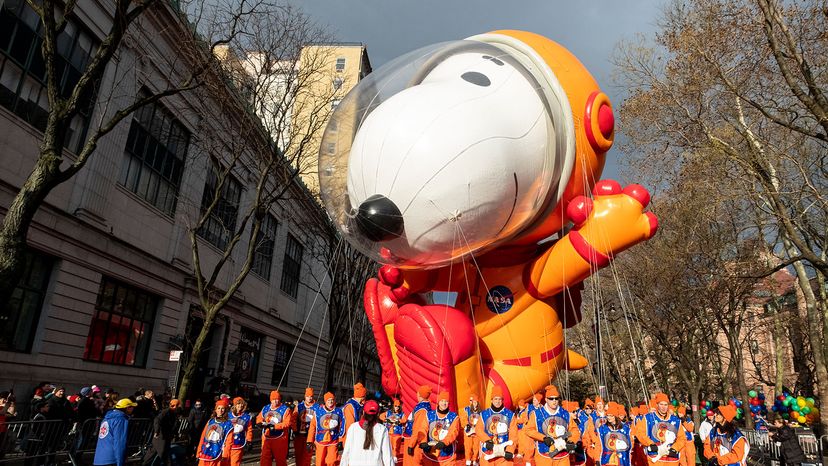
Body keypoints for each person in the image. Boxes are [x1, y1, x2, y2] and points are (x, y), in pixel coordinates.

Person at [525, 385, 580, 466]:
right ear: (546, 399)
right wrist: (543, 438)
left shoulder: (565, 414)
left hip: (563, 456)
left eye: (556, 398)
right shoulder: (536, 414)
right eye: (551, 398)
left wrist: (571, 441)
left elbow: (574, 430)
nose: (554, 401)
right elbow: (528, 430)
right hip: (544, 455)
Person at [634, 393, 686, 466]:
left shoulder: (676, 420)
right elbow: (640, 433)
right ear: (657, 405)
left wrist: (675, 448)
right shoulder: (648, 418)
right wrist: (650, 443)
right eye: (661, 404)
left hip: (671, 458)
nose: (663, 407)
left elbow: (682, 438)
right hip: (654, 457)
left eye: (665, 405)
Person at [412, 391, 460, 466]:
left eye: (446, 401)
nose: (444, 403)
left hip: (447, 456)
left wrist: (444, 442)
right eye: (442, 401)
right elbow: (423, 429)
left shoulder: (454, 417)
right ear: (438, 402)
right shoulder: (429, 415)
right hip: (430, 455)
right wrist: (423, 442)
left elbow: (453, 432)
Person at [340, 399, 394, 466]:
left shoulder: (353, 427)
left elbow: (346, 453)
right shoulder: (382, 429)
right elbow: (387, 455)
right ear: (377, 414)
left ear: (363, 412)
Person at [476, 386, 518, 464]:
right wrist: (487, 441)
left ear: (502, 400)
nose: (498, 401)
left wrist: (510, 450)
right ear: (491, 400)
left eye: (500, 399)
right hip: (488, 453)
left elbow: (513, 435)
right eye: (495, 399)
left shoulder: (510, 415)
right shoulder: (484, 414)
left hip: (504, 455)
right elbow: (478, 430)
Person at [93, 398, 137, 466]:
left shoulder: (106, 419)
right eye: (132, 407)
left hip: (99, 459)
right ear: (127, 408)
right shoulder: (120, 420)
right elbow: (119, 442)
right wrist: (120, 462)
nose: (133, 409)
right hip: (112, 459)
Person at [307, 392, 345, 466]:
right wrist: (309, 441)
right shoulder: (318, 412)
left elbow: (342, 426)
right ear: (325, 401)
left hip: (333, 441)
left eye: (332, 400)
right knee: (320, 462)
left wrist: (341, 440)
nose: (330, 402)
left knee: (332, 461)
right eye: (328, 400)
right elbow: (313, 427)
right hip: (320, 441)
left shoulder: (339, 411)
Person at [257, 390, 291, 466]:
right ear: (270, 400)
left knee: (280, 460)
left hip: (279, 438)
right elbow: (259, 417)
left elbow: (287, 423)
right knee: (264, 459)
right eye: (273, 399)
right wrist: (259, 423)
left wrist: (275, 426)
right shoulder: (266, 408)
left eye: (277, 399)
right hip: (267, 437)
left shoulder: (285, 409)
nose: (275, 401)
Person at [196, 399, 234, 466]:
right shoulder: (210, 421)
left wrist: (225, 455)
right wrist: (198, 451)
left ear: (225, 410)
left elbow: (229, 442)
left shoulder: (228, 425)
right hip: (205, 451)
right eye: (218, 408)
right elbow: (203, 437)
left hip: (217, 452)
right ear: (215, 410)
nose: (220, 410)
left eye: (222, 408)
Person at [404, 385, 433, 466]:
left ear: (420, 394)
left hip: (414, 442)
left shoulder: (422, 410)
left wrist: (411, 445)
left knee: (411, 463)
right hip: (415, 440)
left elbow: (417, 429)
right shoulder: (425, 406)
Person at [147, 399, 181, 466]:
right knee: (164, 454)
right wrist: (157, 431)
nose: (179, 407)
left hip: (166, 436)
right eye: (178, 406)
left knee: (152, 453)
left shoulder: (174, 412)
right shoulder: (165, 412)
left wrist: (175, 434)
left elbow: (174, 425)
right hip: (161, 437)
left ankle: (144, 463)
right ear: (175, 406)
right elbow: (157, 420)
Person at [294, 388, 316, 466]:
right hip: (299, 435)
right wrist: (294, 429)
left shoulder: (317, 407)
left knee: (307, 456)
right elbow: (293, 418)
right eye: (307, 396)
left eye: (311, 396)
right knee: (298, 455)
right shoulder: (299, 406)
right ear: (305, 396)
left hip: (309, 436)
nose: (309, 398)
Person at [228, 397, 253, 466]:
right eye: (238, 404)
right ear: (234, 405)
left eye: (242, 404)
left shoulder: (246, 417)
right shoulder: (227, 415)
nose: (240, 406)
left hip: (238, 443)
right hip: (226, 444)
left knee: (234, 463)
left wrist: (249, 441)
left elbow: (249, 429)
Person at [460, 394, 482, 466]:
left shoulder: (480, 411)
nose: (473, 403)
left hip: (476, 432)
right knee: (468, 446)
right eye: (471, 401)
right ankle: (468, 460)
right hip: (468, 432)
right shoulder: (466, 409)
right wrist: (466, 425)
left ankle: (475, 459)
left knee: (476, 446)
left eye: (475, 401)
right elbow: (463, 419)